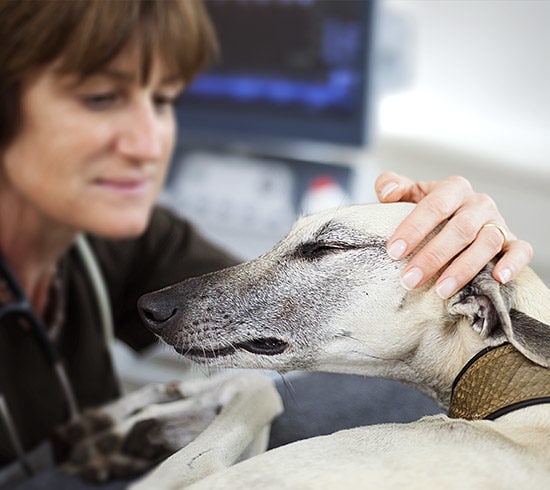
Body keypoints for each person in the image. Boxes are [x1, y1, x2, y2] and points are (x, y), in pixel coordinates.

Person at [0, 0, 533, 484]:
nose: (148, 143)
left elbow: (273, 319)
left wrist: (455, 249)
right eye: (100, 99)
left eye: (162, 101)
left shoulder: (122, 242)